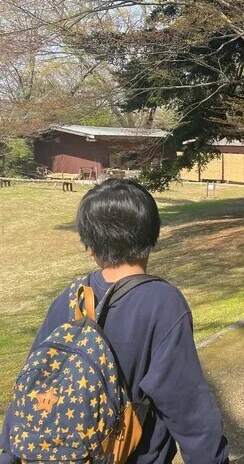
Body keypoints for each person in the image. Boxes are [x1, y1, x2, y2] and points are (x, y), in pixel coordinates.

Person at [0, 178, 229, 464]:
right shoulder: (162, 302)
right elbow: (188, 409)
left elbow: (33, 385)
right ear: (151, 237)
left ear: (91, 245)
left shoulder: (70, 298)